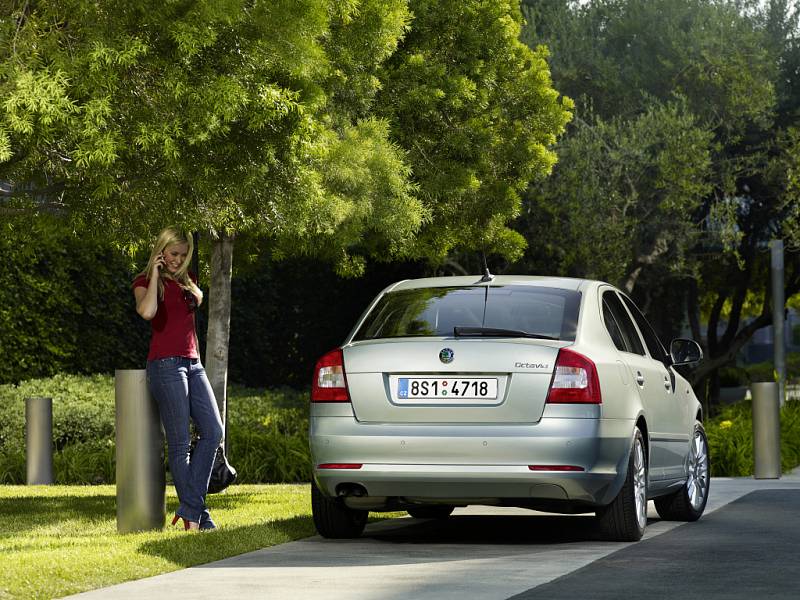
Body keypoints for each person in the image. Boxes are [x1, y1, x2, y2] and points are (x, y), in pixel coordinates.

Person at [132, 227, 223, 531]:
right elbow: (146, 312)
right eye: (173, 254)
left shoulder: (188, 282)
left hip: (193, 363)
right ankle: (199, 516)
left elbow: (198, 301)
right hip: (165, 366)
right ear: (161, 251)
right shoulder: (145, 281)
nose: (178, 259)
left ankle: (190, 509)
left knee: (213, 431)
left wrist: (188, 283)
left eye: (184, 255)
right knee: (181, 443)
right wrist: (156, 275)